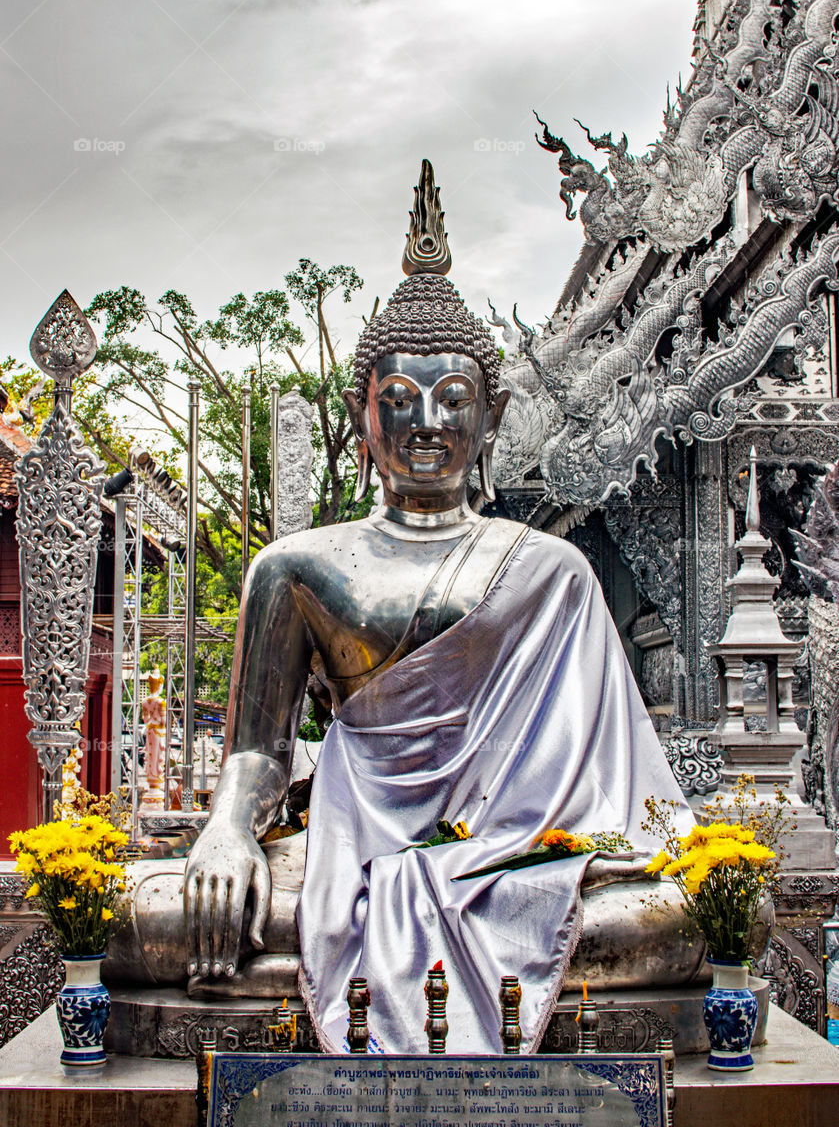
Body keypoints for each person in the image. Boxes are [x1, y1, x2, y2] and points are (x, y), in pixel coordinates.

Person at [107, 161, 703, 1053]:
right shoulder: (297, 567)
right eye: (399, 401)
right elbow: (255, 752)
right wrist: (228, 832)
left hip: (514, 851)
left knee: (672, 919)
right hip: (349, 838)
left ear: (491, 415)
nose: (427, 423)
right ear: (359, 414)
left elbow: (607, 774)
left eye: (453, 400)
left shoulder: (551, 570)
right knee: (145, 919)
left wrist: (565, 852)